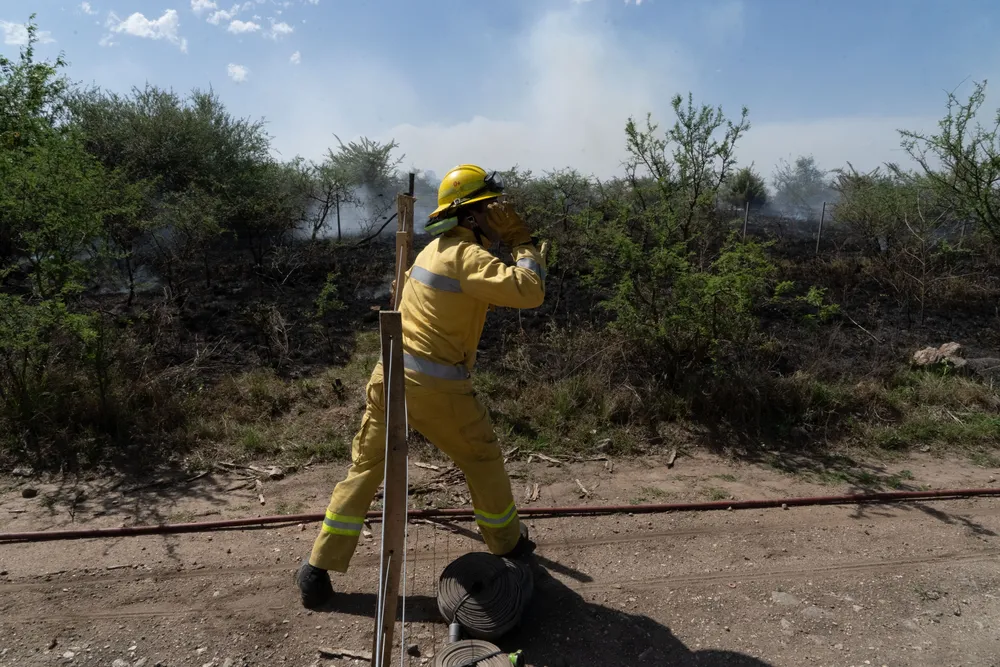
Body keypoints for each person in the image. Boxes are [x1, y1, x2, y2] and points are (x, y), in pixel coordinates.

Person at [296, 164, 547, 609]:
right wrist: (523, 242)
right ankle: (508, 546)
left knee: (365, 471)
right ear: (470, 217)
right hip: (435, 387)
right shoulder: (467, 257)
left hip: (390, 376)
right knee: (482, 458)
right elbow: (529, 291)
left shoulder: (433, 250)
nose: (497, 214)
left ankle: (316, 569)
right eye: (490, 208)